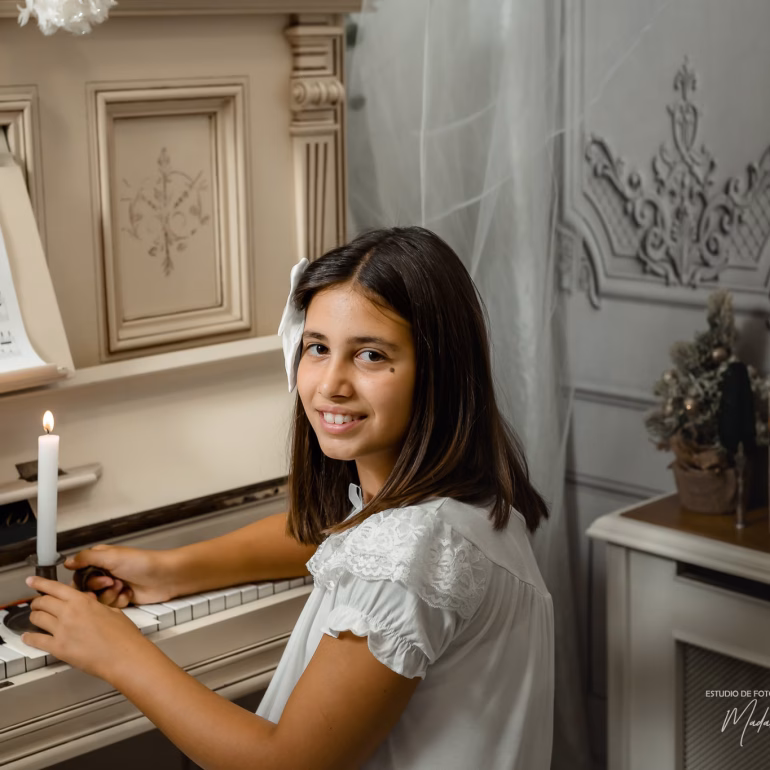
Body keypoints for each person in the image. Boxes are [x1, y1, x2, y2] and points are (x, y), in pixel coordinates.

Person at [24, 226, 554, 770]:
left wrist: (119, 652)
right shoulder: (455, 510)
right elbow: (338, 536)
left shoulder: (408, 549)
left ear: (439, 373)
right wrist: (171, 569)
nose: (331, 384)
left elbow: (283, 763)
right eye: (318, 348)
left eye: (371, 355)